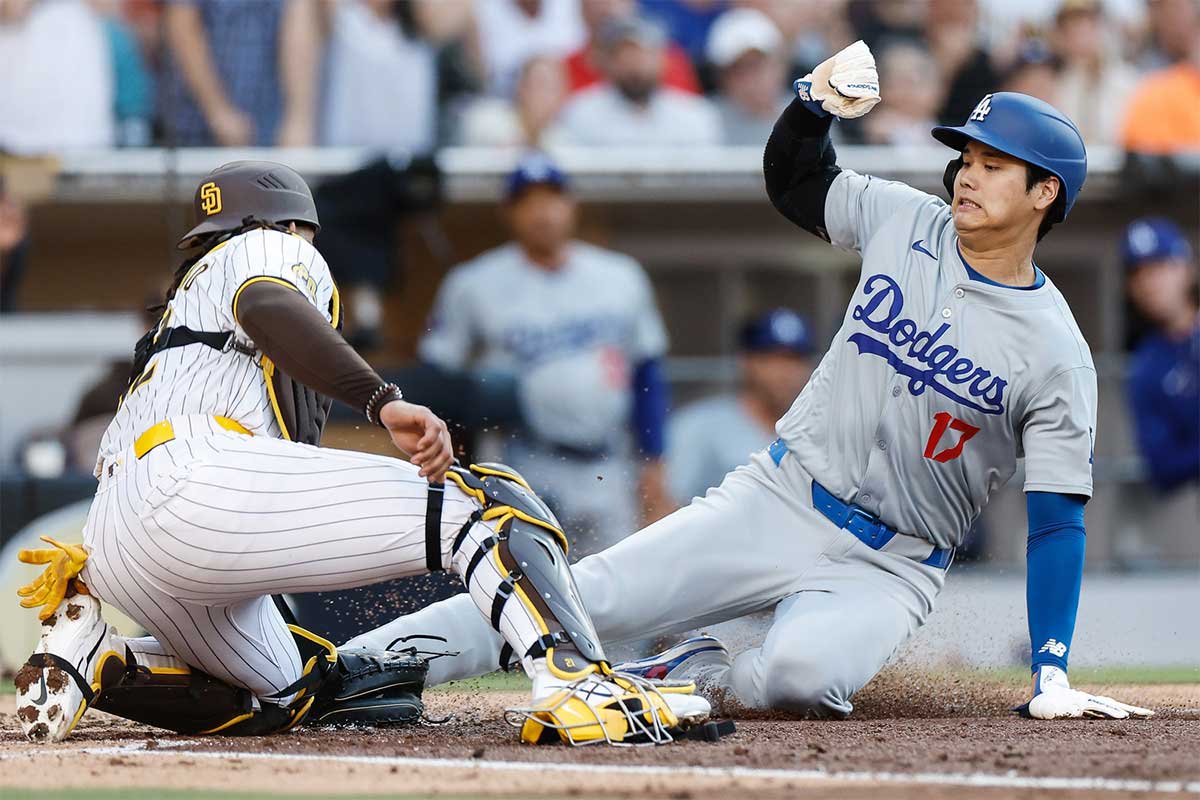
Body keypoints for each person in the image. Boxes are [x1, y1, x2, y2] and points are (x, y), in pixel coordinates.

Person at [351, 42, 1155, 723]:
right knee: (575, 592)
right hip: (780, 497)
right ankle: (347, 667)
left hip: (894, 563)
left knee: (797, 681)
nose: (966, 177)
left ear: (1045, 192)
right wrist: (811, 106)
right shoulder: (906, 219)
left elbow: (1056, 520)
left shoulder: (1056, 352)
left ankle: (689, 670)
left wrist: (1051, 668)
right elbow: (795, 180)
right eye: (966, 159)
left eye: (993, 166)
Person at [13, 160, 706, 746]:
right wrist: (381, 399)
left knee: (282, 694)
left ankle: (99, 657)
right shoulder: (268, 248)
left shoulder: (186, 299)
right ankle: (582, 687)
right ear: (291, 224)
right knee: (485, 502)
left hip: (116, 542)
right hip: (196, 480)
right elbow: (268, 301)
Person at [417, 153, 672, 554]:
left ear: (571, 205)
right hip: (522, 461)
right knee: (530, 594)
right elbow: (438, 379)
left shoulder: (620, 276)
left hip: (609, 464)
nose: (543, 213)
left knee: (621, 591)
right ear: (509, 212)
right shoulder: (473, 283)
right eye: (528, 202)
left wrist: (654, 461)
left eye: (552, 199)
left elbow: (647, 373)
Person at [666, 308, 815, 505]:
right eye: (772, 359)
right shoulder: (701, 426)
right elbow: (663, 505)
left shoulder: (817, 433)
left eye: (795, 360)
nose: (786, 372)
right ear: (746, 361)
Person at [159, 0, 319, 146]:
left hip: (268, 122)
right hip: (196, 124)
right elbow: (182, 25)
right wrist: (218, 112)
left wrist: (298, 119)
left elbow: (300, 26)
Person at [556, 14, 721, 147]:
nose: (635, 64)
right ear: (607, 62)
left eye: (644, 54)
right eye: (624, 55)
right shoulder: (580, 114)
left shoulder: (694, 116)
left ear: (663, 60)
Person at [1122, 217, 1199, 494]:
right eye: (1138, 273)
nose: (1149, 282)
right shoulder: (1147, 365)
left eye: (1159, 267)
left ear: (1186, 268)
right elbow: (1162, 466)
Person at [1051, 0, 1139, 147]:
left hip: (1120, 165)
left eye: (1088, 26)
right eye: (1071, 29)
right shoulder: (1057, 85)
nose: (1081, 37)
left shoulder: (1128, 80)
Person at [565, 0, 700, 95]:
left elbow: (685, 108)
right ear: (581, 10)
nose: (607, 10)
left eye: (616, 1)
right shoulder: (564, 67)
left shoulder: (670, 58)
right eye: (596, 2)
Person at [706, 7, 791, 146]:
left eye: (758, 65)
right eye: (738, 70)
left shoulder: (810, 116)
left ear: (780, 65)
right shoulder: (704, 121)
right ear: (722, 78)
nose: (751, 79)